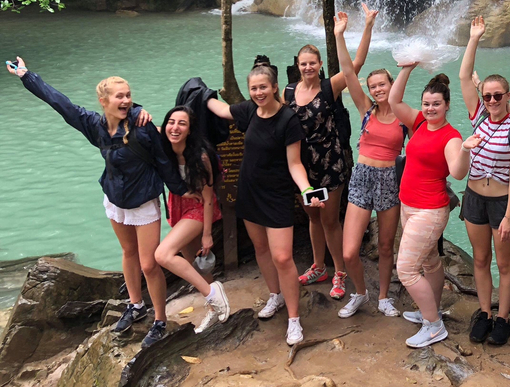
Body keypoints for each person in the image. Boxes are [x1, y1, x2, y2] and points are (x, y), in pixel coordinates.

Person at [8, 57, 188, 348]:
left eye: (129, 95)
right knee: (128, 253)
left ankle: (159, 320)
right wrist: (27, 76)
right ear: (104, 101)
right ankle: (135, 304)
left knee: (150, 263)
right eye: (120, 96)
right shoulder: (94, 126)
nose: (126, 100)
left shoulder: (143, 128)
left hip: (143, 202)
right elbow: (60, 104)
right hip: (115, 199)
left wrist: (181, 189)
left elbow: (164, 162)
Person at [205, 64, 322, 346]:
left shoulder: (287, 120)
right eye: (253, 88)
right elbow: (221, 110)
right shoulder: (247, 111)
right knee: (260, 248)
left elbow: (295, 164)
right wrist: (198, 91)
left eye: (263, 87)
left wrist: (306, 188)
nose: (258, 92)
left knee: (283, 257)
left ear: (273, 87)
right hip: (250, 191)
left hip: (277, 194)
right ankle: (275, 295)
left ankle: (294, 319)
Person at [289, 5, 376, 299]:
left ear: (319, 65)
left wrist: (366, 26)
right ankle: (318, 266)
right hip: (302, 167)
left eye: (312, 63)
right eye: (303, 63)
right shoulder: (288, 93)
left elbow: (358, 63)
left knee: (329, 220)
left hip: (330, 165)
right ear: (298, 65)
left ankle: (339, 271)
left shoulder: (330, 87)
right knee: (312, 218)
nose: (308, 67)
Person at [458, 16, 510, 345]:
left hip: (502, 202)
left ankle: (503, 318)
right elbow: (463, 76)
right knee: (482, 259)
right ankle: (485, 312)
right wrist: (474, 38)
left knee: (504, 263)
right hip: (473, 197)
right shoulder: (478, 118)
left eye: (497, 96)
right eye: (486, 96)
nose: (491, 102)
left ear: (507, 95)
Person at [332, 12, 406, 319]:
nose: (377, 89)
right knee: (350, 251)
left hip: (390, 178)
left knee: (386, 247)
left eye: (382, 84)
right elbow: (348, 71)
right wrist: (347, 32)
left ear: (392, 84)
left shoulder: (405, 116)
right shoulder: (365, 110)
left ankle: (385, 297)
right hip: (362, 177)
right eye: (373, 86)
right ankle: (360, 293)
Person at [388, 65, 468, 348]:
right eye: (426, 104)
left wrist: (466, 150)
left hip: (430, 210)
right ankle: (429, 312)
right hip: (408, 205)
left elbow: (458, 173)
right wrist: (407, 69)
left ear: (447, 106)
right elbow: (394, 101)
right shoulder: (420, 122)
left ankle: (434, 327)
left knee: (406, 269)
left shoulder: (452, 137)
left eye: (436, 104)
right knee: (429, 262)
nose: (431, 108)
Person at [154, 106, 231, 334]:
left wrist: (207, 234)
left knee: (163, 255)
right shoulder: (165, 146)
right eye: (171, 122)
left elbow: (208, 199)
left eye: (182, 124)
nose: (175, 128)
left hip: (198, 209)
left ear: (190, 130)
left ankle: (213, 294)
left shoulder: (200, 156)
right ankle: (215, 306)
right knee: (196, 265)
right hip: (178, 209)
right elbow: (144, 128)